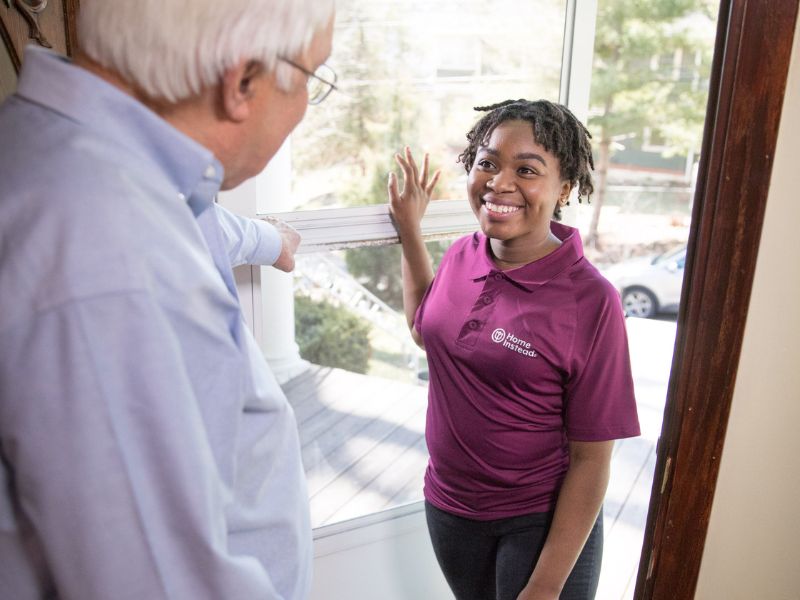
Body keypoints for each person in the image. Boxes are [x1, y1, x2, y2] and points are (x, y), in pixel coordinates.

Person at [0, 0, 335, 598]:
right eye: (312, 76)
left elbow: (206, 224)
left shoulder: (79, 153)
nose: (307, 104)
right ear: (243, 81)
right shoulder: (105, 252)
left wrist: (270, 239)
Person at [388, 99, 641, 600]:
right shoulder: (464, 253)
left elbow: (591, 459)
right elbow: (426, 328)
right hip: (450, 509)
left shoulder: (590, 300)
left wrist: (546, 584)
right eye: (487, 162)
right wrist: (410, 232)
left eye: (526, 169)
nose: (499, 183)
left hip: (538, 522)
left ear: (564, 188)